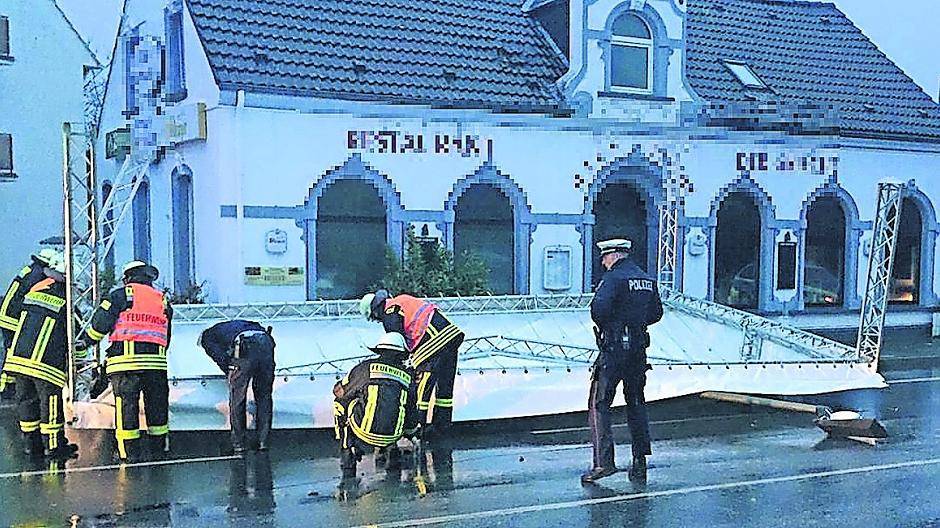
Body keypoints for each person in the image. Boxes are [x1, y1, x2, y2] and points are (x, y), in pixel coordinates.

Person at [582, 238, 663, 484]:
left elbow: (598, 310)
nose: (603, 262)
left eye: (605, 257)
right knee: (636, 403)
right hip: (638, 349)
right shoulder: (646, 280)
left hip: (614, 349)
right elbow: (656, 313)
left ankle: (603, 463)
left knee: (599, 404)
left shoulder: (613, 278)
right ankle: (640, 462)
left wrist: (615, 324)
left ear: (614, 255)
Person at [77, 261, 173, 462]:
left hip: (125, 364)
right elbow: (166, 336)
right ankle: (158, 451)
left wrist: (86, 341)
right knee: (157, 409)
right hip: (156, 365)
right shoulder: (162, 300)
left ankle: (129, 454)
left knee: (127, 409)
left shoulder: (120, 296)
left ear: (127, 278)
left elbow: (100, 325)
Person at [1, 254, 79, 458]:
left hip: (19, 360)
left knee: (26, 402)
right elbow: (76, 339)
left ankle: (31, 445)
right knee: (50, 405)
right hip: (46, 365)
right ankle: (54, 447)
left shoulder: (33, 293)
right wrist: (78, 362)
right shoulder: (68, 303)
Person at [359, 290, 464, 436]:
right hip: (451, 335)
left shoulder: (389, 315)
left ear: (375, 311)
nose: (377, 321)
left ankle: (418, 430)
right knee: (445, 386)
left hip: (434, 340)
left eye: (374, 318)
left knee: (420, 386)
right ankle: (442, 427)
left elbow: (397, 346)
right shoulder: (401, 300)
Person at [333, 332, 419, 484]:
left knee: (340, 404)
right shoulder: (407, 376)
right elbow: (411, 413)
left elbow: (340, 393)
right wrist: (410, 434)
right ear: (402, 354)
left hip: (364, 432)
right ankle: (392, 451)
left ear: (380, 350)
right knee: (398, 405)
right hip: (393, 435)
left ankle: (347, 453)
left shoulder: (365, 368)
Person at [198, 319, 276, 453]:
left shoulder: (207, 337)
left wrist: (230, 370)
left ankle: (239, 443)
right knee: (264, 396)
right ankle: (263, 441)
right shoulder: (236, 326)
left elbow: (220, 358)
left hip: (245, 345)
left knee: (238, 398)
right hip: (266, 343)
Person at [0, 248, 62, 401]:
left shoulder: (30, 270)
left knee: (12, 350)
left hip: (8, 314)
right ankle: (7, 387)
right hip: (14, 318)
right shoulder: (38, 275)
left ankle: (8, 385)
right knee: (13, 350)